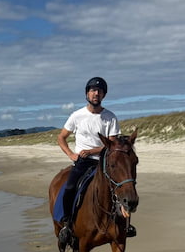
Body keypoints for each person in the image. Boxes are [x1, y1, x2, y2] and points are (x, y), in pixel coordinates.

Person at [57, 77, 136, 241]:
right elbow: (61, 138)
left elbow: (113, 144)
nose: (96, 93)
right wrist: (72, 155)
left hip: (104, 161)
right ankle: (67, 224)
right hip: (82, 162)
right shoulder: (76, 116)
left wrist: (92, 150)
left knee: (122, 185)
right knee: (70, 187)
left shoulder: (110, 117)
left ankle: (125, 224)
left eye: (99, 91)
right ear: (87, 94)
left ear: (103, 95)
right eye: (93, 90)